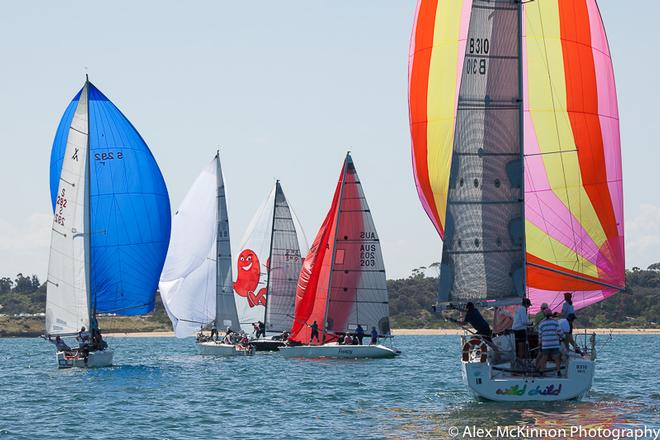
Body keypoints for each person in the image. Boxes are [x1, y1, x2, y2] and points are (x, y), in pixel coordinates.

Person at [536, 308, 562, 376]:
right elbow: (560, 332)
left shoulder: (541, 323)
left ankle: (541, 371)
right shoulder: (555, 322)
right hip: (555, 343)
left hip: (545, 344)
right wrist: (562, 337)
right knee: (556, 357)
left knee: (544, 357)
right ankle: (558, 371)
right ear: (551, 314)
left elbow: (540, 335)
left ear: (544, 315)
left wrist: (540, 343)